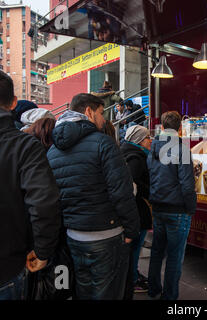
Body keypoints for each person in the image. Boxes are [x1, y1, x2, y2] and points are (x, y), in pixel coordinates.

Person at [47, 93, 140, 300]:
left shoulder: (53, 151)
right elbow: (122, 192)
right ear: (88, 112)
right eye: (100, 113)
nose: (103, 119)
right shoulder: (104, 144)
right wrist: (132, 230)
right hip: (106, 237)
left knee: (83, 292)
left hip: (74, 236)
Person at [0, 71, 61, 300]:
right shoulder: (25, 146)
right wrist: (43, 251)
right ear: (14, 102)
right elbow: (44, 203)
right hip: (8, 268)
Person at [147, 111, 197, 300]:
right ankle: (169, 297)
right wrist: (191, 208)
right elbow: (187, 184)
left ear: (161, 127)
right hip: (178, 210)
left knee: (157, 252)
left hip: (158, 207)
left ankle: (153, 290)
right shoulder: (182, 148)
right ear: (180, 128)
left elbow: (152, 176)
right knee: (175, 257)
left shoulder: (153, 148)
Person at [120, 125, 153, 297]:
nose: (150, 140)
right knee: (134, 249)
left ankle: (132, 276)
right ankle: (132, 280)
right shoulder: (136, 158)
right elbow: (132, 185)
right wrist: (149, 190)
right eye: (148, 137)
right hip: (137, 211)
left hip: (132, 210)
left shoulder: (126, 152)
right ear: (140, 140)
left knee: (133, 249)